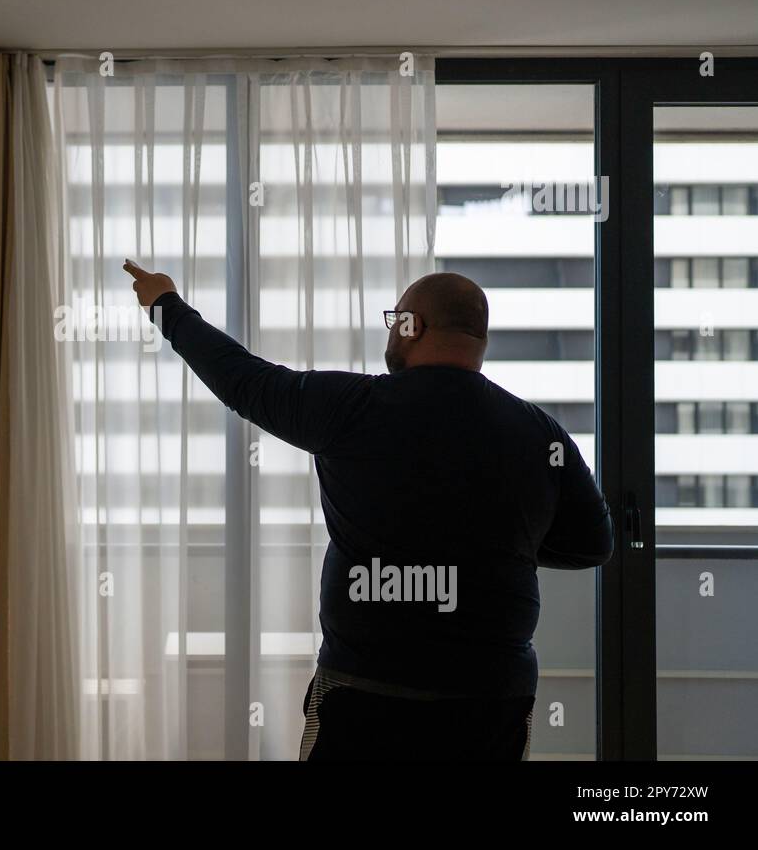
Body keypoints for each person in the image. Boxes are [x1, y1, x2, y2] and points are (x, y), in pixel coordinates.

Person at [122, 261, 613, 761]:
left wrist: (166, 306)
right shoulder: (541, 434)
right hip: (491, 697)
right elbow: (593, 544)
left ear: (413, 326)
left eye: (395, 319)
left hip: (364, 687)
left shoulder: (350, 408)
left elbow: (243, 382)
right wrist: (508, 545)